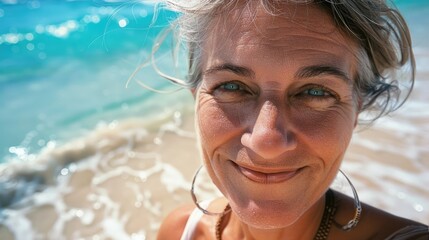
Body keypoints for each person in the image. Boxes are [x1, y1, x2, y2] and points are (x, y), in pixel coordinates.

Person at [155, 0, 429, 239]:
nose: (267, 141)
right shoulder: (180, 233)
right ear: (196, 97)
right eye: (232, 87)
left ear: (355, 111)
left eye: (315, 92)